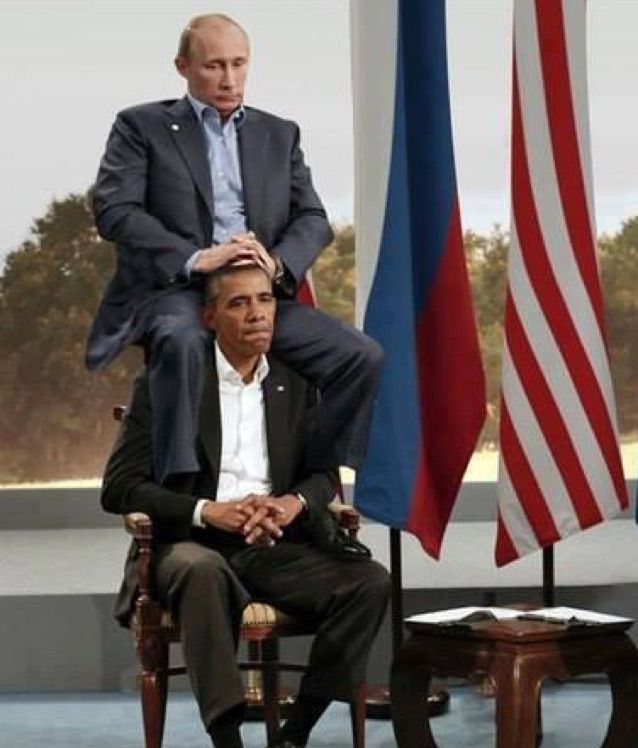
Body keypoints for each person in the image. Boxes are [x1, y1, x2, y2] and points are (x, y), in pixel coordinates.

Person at [101, 263, 391, 748]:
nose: (258, 313)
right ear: (210, 317)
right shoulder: (167, 384)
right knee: (202, 570)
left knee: (368, 583)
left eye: (265, 299)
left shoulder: (297, 383)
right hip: (191, 544)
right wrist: (207, 510)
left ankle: (295, 735)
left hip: (272, 546)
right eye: (240, 303)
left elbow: (323, 474)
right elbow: (119, 488)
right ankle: (228, 739)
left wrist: (291, 504)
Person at [87, 12, 382, 482]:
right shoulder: (140, 126)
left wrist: (276, 263)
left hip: (258, 292)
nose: (229, 79)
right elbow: (115, 210)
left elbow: (312, 218)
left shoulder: (279, 133)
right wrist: (197, 258)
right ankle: (182, 488)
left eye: (238, 64)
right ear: (183, 67)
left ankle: (313, 483)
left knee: (360, 356)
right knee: (182, 339)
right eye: (214, 66)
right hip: (180, 290)